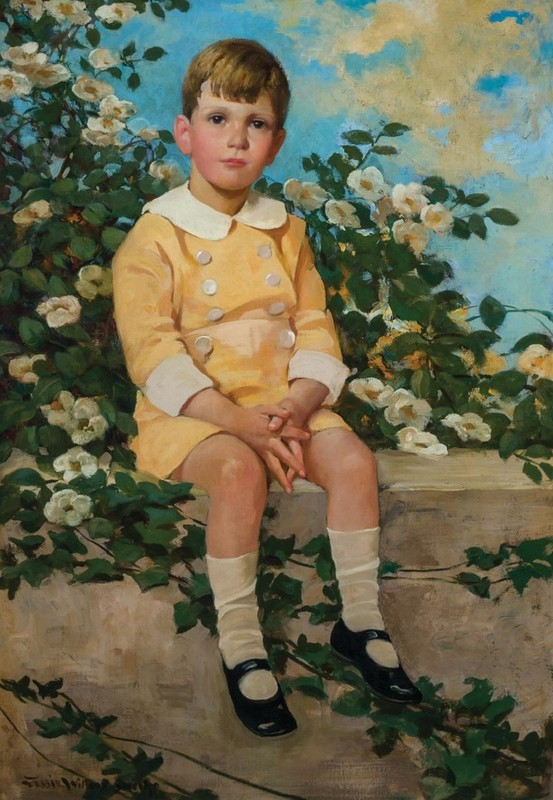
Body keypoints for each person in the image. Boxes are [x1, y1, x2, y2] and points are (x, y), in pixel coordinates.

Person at [112, 38, 421, 738]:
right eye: (219, 119)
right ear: (185, 132)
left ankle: (360, 622)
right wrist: (241, 423)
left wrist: (298, 404)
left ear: (276, 143)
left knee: (351, 461)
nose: (236, 139)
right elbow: (153, 355)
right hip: (193, 413)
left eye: (255, 124)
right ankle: (243, 644)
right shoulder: (155, 237)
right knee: (235, 469)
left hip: (284, 405)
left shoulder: (286, 231)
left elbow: (314, 326)